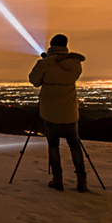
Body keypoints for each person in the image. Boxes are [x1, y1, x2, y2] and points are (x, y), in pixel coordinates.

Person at [28, 33, 88, 192]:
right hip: (69, 111)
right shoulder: (75, 63)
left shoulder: (45, 64)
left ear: (52, 45)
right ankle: (81, 180)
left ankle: (58, 179)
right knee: (74, 144)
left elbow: (34, 81)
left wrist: (47, 61)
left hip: (50, 111)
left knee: (53, 145)